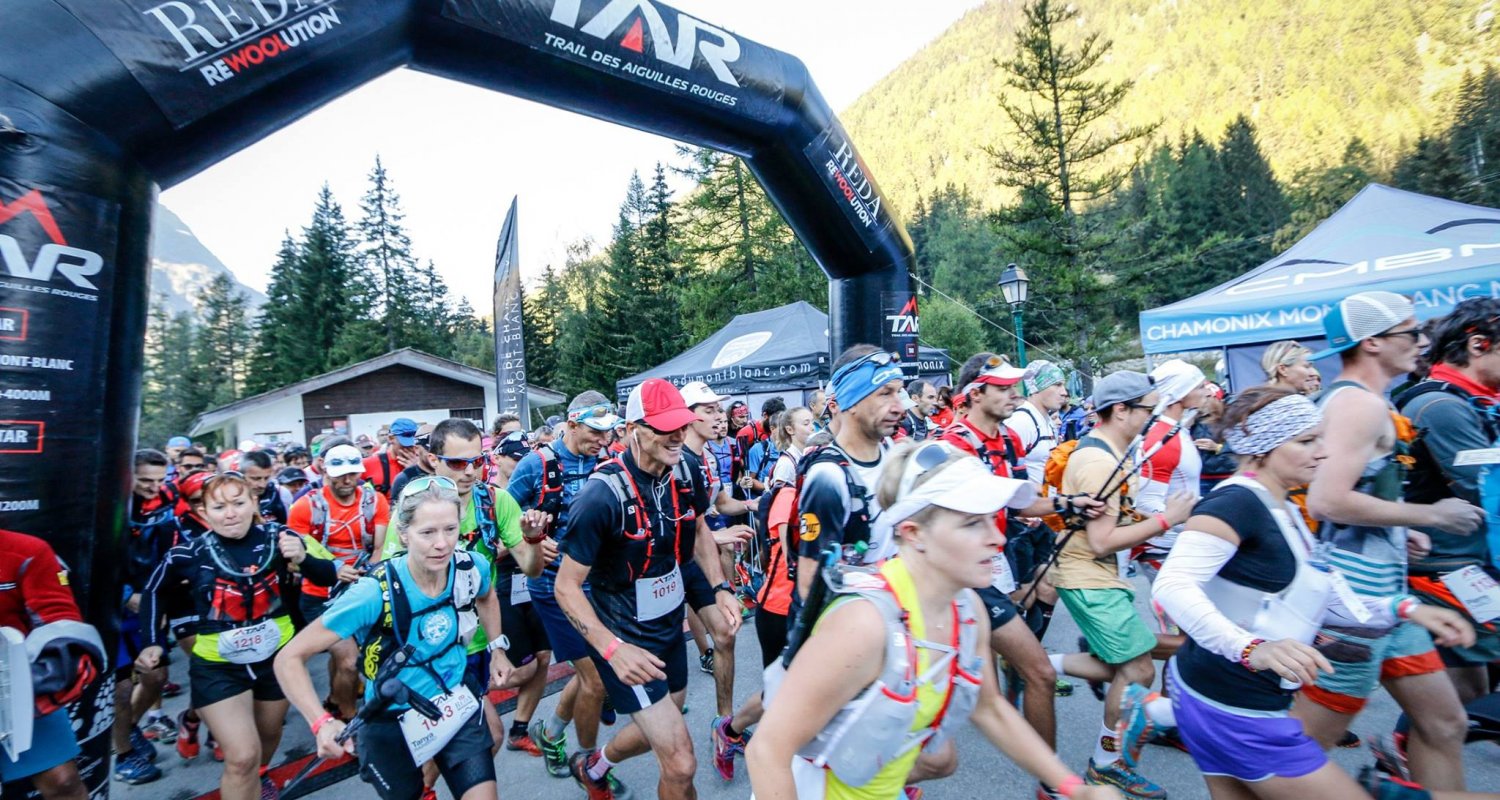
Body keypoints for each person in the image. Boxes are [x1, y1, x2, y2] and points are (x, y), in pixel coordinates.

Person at [1149, 387, 1489, 800]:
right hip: (1235, 708)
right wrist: (1250, 648)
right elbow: (1173, 585)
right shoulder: (1235, 504)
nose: (1323, 453)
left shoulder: (1283, 507)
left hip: (1231, 698)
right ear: (1263, 448)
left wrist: (1403, 608)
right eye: (1307, 441)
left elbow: (1315, 597)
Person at [747, 442, 1119, 800]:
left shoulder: (967, 610)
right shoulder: (864, 624)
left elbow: (989, 708)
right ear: (914, 533)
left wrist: (1072, 788)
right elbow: (767, 751)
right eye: (972, 523)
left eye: (992, 519)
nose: (997, 539)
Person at [1290, 291, 1486, 792]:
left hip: (1387, 598)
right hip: (1355, 604)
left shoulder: (1362, 400)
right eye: (1411, 332)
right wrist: (1431, 514)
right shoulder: (1358, 404)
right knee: (1300, 750)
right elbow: (1328, 501)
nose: (1422, 342)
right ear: (1372, 342)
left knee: (1446, 723)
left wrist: (1401, 529)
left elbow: (1352, 493)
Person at [555, 378, 742, 800]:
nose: (676, 436)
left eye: (681, 425)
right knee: (681, 762)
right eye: (664, 428)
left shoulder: (686, 469)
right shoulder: (599, 497)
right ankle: (592, 760)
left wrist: (719, 587)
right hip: (625, 636)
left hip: (668, 625)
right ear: (630, 430)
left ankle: (595, 765)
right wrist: (611, 649)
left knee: (667, 716)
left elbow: (697, 529)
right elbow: (566, 587)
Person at [275, 476, 513, 800]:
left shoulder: (471, 567)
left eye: (450, 529)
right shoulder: (373, 592)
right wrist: (321, 722)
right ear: (403, 534)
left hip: (453, 704)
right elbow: (288, 658)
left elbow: (487, 597)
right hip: (390, 720)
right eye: (427, 532)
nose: (442, 544)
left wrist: (497, 648)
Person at [940, 353, 1108, 798]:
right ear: (975, 393)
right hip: (960, 576)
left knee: (1004, 684)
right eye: (1004, 388)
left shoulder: (1008, 439)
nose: (1014, 394)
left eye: (1016, 386)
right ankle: (1055, 785)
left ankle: (1050, 782)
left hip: (990, 565)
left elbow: (1019, 503)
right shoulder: (954, 444)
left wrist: (1069, 504)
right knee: (1036, 674)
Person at [137, 472, 338, 800]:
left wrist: (303, 558)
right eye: (219, 507)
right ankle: (244, 774)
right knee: (242, 756)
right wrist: (151, 642)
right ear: (204, 512)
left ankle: (259, 776)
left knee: (267, 739)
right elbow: (153, 590)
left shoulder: (281, 536)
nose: (230, 513)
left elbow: (328, 575)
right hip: (218, 668)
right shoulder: (188, 552)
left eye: (238, 503)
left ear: (254, 503)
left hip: (277, 662)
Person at [1053, 371, 1197, 798]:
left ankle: (1036, 665)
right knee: (1138, 669)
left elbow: (1115, 517)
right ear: (1120, 410)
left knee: (1132, 662)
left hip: (1096, 575)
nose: (1153, 418)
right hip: (1087, 574)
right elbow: (1101, 541)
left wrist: (1168, 521)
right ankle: (1105, 766)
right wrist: (1167, 520)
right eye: (1148, 410)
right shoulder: (1099, 461)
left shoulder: (1112, 450)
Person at [507, 391, 625, 789]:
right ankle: (589, 767)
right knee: (595, 679)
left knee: (596, 671)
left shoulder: (606, 462)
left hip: (598, 584)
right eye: (595, 432)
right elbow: (502, 517)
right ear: (572, 424)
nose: (603, 441)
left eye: (608, 433)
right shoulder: (536, 464)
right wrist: (531, 540)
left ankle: (551, 732)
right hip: (553, 587)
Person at [1396, 298, 1500, 713]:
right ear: (1478, 345)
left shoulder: (1471, 400)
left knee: (1469, 698)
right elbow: (1485, 487)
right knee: (1460, 705)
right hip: (1445, 566)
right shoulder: (1441, 406)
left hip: (1467, 560)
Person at [286, 443, 392, 720]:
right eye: (340, 474)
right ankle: (348, 717)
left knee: (352, 655)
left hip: (360, 589)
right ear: (325, 472)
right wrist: (334, 569)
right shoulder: (305, 506)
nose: (347, 480)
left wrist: (366, 576)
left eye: (353, 473)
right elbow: (298, 556)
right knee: (348, 660)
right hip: (319, 595)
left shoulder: (374, 501)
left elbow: (379, 547)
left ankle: (335, 699)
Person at [0, 528, 107, 800]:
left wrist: (42, 679)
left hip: (16, 684)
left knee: (63, 782)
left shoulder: (27, 550)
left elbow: (59, 622)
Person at [487, 429, 558, 756]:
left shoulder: (534, 487)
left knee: (543, 657)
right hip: (502, 584)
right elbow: (484, 550)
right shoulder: (487, 497)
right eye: (514, 458)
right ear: (497, 458)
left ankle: (519, 729)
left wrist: (539, 542)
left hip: (533, 581)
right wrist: (525, 542)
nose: (520, 464)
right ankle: (465, 692)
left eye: (524, 458)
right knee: (521, 669)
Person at [114, 449, 177, 784]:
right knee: (121, 689)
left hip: (148, 603)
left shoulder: (166, 504)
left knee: (155, 677)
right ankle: (123, 756)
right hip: (110, 610)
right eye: (145, 480)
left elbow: (167, 557)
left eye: (159, 480)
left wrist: (158, 601)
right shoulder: (111, 504)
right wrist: (126, 595)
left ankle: (128, 729)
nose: (154, 487)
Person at [1133, 359, 1211, 591]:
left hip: (1181, 543)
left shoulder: (1175, 430)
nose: (1208, 392)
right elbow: (1146, 502)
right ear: (1180, 392)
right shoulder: (1162, 438)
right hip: (1166, 549)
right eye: (1199, 387)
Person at [1008, 361, 1070, 484]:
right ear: (1035, 388)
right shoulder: (1021, 421)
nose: (1064, 392)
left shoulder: (1047, 420)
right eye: (1057, 385)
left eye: (1063, 385)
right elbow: (1007, 475)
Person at [366, 418, 419, 498]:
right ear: (391, 438)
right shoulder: (370, 463)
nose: (410, 448)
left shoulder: (423, 463)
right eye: (405, 444)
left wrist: (417, 470)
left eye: (414, 445)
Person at [243, 449, 290, 525]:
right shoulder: (229, 496)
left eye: (266, 478)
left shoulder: (278, 493)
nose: (262, 485)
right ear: (242, 476)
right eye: (256, 479)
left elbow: (285, 527)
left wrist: (262, 523)